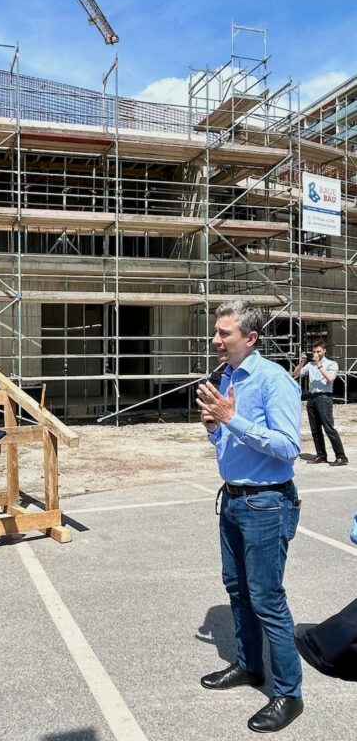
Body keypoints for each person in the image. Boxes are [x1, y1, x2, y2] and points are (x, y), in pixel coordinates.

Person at [196, 298, 303, 733]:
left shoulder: (273, 380)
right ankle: (249, 666)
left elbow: (287, 447)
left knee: (267, 599)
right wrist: (214, 429)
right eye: (217, 332)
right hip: (234, 499)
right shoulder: (227, 376)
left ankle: (288, 694)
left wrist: (232, 419)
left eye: (225, 333)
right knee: (238, 588)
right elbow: (227, 441)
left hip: (266, 502)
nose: (216, 339)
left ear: (250, 338)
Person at [292, 341, 348, 466]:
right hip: (312, 398)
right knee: (315, 429)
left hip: (324, 397)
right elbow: (295, 374)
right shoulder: (310, 365)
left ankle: (341, 456)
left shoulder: (331, 364)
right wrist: (302, 362)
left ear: (324, 351)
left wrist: (318, 364)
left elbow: (330, 378)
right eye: (314, 352)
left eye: (318, 351)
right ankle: (321, 455)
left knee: (329, 428)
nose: (316, 354)